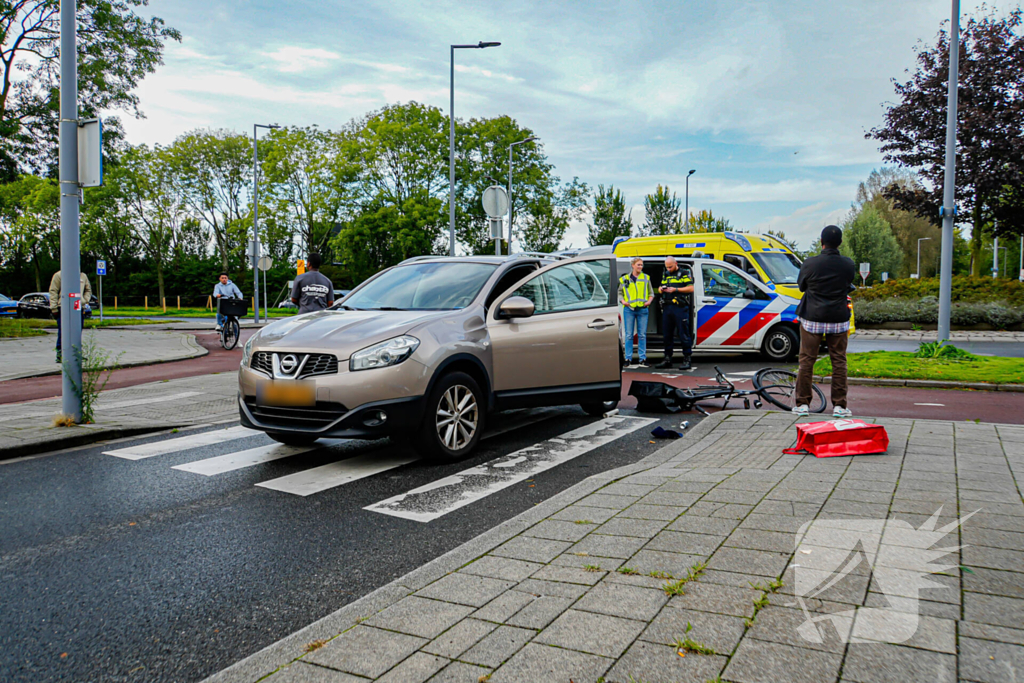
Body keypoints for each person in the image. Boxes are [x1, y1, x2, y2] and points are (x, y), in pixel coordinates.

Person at [794, 225, 857, 418]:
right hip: (838, 318)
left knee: (807, 360)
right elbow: (848, 285)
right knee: (838, 361)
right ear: (840, 243)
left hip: (813, 317)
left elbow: (801, 287)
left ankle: (803, 404)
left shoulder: (810, 264)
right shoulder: (848, 264)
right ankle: (839, 406)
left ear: (821, 242)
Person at [656, 256, 695, 370]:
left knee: (683, 334)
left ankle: (687, 358)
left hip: (680, 307)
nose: (668, 269)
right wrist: (661, 289)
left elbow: (691, 288)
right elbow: (659, 287)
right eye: (667, 267)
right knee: (667, 335)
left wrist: (676, 290)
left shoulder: (684, 273)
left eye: (670, 266)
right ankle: (667, 359)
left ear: (676, 264)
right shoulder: (666, 274)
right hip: (668, 307)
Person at [49, 270, 93, 363]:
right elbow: (53, 291)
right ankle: (61, 353)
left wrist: (84, 300)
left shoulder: (82, 276)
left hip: (78, 307)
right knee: (63, 331)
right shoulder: (59, 275)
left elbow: (88, 290)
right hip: (63, 307)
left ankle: (76, 353)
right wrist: (54, 307)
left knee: (77, 331)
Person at [619, 256, 654, 366]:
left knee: (642, 335)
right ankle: (628, 358)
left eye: (641, 265)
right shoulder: (624, 279)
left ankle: (642, 358)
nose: (640, 267)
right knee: (629, 335)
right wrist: (623, 301)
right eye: (638, 264)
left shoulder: (646, 278)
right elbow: (620, 292)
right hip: (629, 309)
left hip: (642, 309)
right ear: (632, 265)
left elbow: (651, 293)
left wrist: (649, 302)